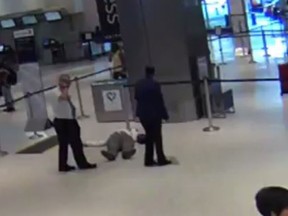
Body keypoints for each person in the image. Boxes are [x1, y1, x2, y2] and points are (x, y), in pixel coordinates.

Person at [52, 74, 97, 172]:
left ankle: (78, 163)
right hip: (62, 121)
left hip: (69, 119)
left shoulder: (62, 91)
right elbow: (64, 97)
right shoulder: (56, 92)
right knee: (68, 144)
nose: (68, 85)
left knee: (76, 143)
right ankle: (65, 165)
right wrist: (64, 88)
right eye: (66, 83)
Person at [135, 66, 171, 167]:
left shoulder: (138, 84)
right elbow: (159, 101)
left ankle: (148, 160)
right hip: (154, 114)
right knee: (157, 137)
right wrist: (165, 115)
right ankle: (161, 158)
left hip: (143, 114)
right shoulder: (155, 85)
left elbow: (136, 97)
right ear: (153, 73)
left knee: (149, 136)